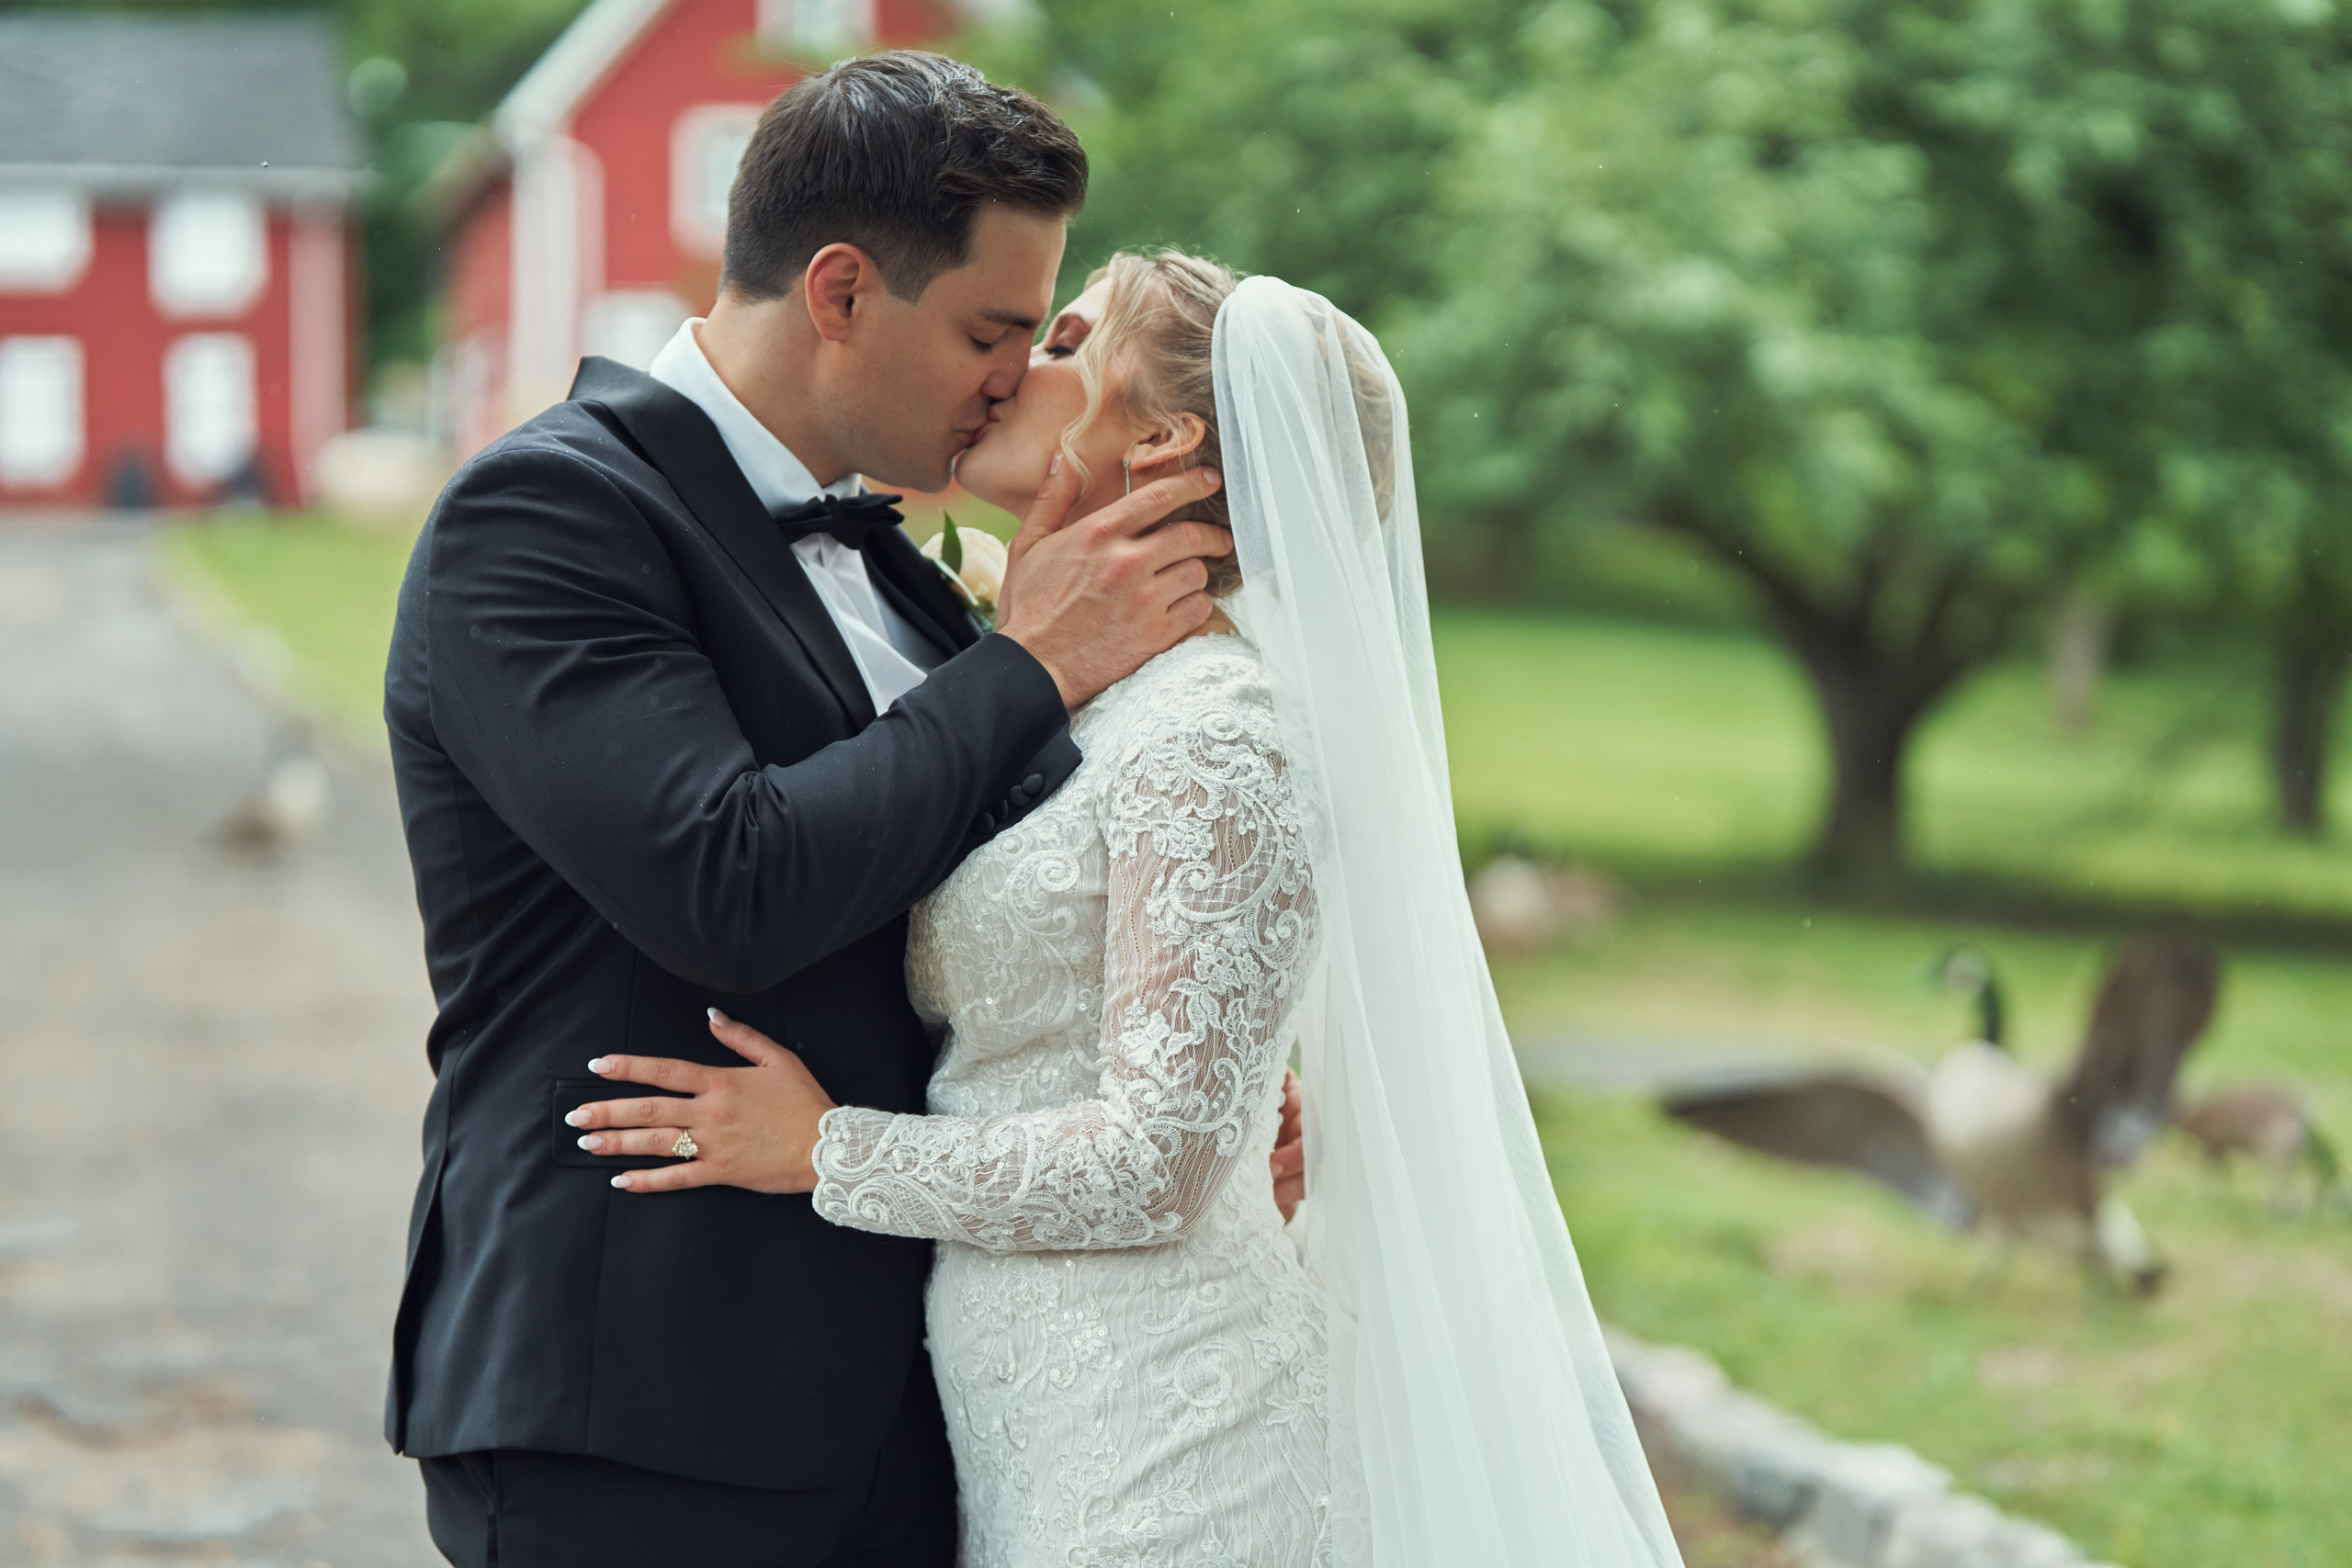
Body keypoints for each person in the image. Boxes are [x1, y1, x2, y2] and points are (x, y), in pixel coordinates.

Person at [576, 253, 1689, 1565]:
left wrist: (825, 1149)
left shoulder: (1218, 735)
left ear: (1159, 447)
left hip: (1173, 1436)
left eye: (1063, 345)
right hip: (1037, 1414)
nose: (1009, 369)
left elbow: (1159, 1165)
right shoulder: (1071, 689)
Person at [382, 53, 1292, 1568]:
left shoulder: (894, 555)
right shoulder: (543, 518)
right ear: (842, 291)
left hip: (920, 1403)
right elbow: (729, 886)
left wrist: (1202, 1053)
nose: (1013, 377)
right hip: (640, 1400)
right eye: (991, 331)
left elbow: (1002, 895)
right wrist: (1034, 661)